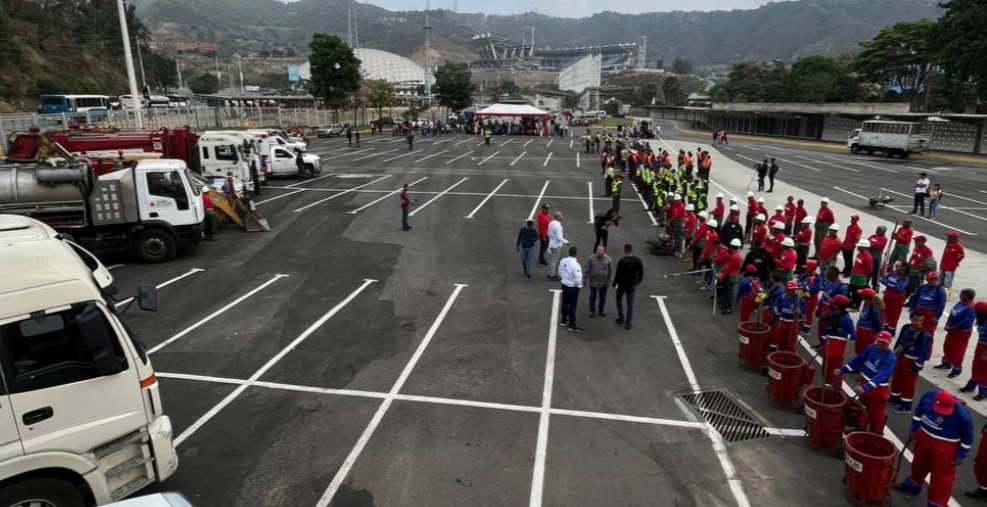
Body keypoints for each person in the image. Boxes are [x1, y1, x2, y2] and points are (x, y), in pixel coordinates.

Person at [895, 389, 974, 507]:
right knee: (918, 463)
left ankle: (936, 503)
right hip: (924, 437)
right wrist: (913, 429)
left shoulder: (963, 415)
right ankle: (913, 484)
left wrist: (960, 455)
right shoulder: (927, 396)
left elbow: (968, 438)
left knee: (942, 477)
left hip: (946, 445)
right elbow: (918, 413)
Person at [838, 331, 896, 433]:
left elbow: (881, 376)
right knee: (862, 410)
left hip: (878, 393)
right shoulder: (872, 348)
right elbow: (858, 360)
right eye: (879, 341)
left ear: (889, 343)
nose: (881, 344)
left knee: (876, 418)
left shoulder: (891, 358)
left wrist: (865, 388)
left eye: (884, 343)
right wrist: (842, 370)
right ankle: (861, 428)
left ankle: (875, 437)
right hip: (864, 388)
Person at [936, 289, 978, 379]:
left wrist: (951, 328)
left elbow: (965, 323)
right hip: (951, 330)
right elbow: (952, 313)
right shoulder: (960, 303)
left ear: (967, 296)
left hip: (961, 333)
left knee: (958, 352)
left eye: (962, 294)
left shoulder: (970, 308)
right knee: (947, 346)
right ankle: (946, 363)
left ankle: (956, 369)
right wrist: (948, 324)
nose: (960, 295)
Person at [820, 295, 857, 386]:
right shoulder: (832, 315)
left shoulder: (846, 320)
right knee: (825, 370)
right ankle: (827, 386)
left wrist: (842, 332)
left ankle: (836, 391)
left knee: (835, 372)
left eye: (832, 302)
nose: (830, 304)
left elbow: (854, 336)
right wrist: (823, 344)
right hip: (827, 348)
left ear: (837, 305)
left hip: (836, 351)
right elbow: (826, 330)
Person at [959, 302, 987, 401]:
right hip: (980, 345)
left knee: (984, 370)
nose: (974, 312)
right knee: (976, 366)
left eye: (976, 311)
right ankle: (971, 385)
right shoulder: (981, 320)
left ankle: (983, 392)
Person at [613, 243, 644, 330]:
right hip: (631, 285)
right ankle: (628, 323)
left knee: (619, 300)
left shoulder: (622, 261)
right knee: (630, 305)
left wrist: (614, 283)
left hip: (622, 285)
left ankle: (621, 318)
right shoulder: (637, 260)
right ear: (632, 250)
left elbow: (618, 274)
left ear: (625, 250)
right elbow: (641, 272)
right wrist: (638, 281)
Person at [909, 272, 948, 337]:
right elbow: (915, 298)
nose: (933, 281)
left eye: (935, 279)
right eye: (931, 279)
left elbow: (941, 305)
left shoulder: (940, 290)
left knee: (928, 334)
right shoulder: (921, 288)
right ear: (927, 279)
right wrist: (912, 310)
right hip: (919, 312)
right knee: (915, 330)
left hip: (930, 315)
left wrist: (936, 317)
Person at [816, 267, 849, 341]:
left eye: (828, 274)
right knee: (821, 326)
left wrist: (830, 313)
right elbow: (824, 295)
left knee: (827, 329)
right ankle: (821, 343)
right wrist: (818, 308)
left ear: (833, 275)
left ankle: (825, 346)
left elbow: (841, 304)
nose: (826, 275)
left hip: (830, 310)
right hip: (823, 308)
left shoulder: (841, 287)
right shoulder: (829, 282)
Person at [880, 261, 911, 334]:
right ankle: (884, 326)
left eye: (898, 265)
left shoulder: (906, 278)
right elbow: (883, 279)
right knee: (885, 311)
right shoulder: (893, 273)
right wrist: (890, 284)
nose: (896, 267)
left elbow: (899, 287)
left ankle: (891, 329)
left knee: (894, 314)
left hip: (897, 298)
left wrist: (888, 284)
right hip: (887, 296)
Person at [559, 246, 583, 332]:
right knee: (572, 306)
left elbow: (560, 271)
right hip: (573, 287)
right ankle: (571, 325)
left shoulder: (563, 261)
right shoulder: (576, 265)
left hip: (564, 285)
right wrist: (580, 285)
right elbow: (578, 279)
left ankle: (563, 320)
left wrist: (565, 279)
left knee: (564, 303)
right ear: (576, 254)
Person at [584, 245, 613, 318]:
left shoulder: (608, 259)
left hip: (604, 283)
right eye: (598, 250)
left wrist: (609, 281)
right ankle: (592, 311)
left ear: (604, 252)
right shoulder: (591, 258)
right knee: (592, 297)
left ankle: (601, 310)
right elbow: (586, 270)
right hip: (593, 282)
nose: (599, 252)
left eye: (601, 250)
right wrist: (584, 279)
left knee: (602, 298)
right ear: (596, 251)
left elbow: (610, 271)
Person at [718, 238, 743, 316]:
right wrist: (721, 272)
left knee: (729, 293)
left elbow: (728, 268)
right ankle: (725, 305)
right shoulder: (735, 255)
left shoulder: (735, 256)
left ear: (732, 246)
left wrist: (722, 276)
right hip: (730, 275)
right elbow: (727, 265)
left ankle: (728, 308)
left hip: (730, 277)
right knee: (726, 291)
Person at [855, 288, 884, 354]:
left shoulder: (874, 308)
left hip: (867, 333)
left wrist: (876, 332)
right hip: (860, 331)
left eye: (862, 295)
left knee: (864, 351)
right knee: (858, 350)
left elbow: (877, 322)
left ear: (865, 297)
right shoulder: (865, 304)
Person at [798, 261, 823, 334]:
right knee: (802, 311)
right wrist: (800, 284)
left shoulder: (818, 277)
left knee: (808, 314)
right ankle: (800, 326)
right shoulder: (806, 274)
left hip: (811, 298)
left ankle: (806, 329)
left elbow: (817, 288)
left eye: (808, 268)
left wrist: (805, 287)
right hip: (803, 297)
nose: (806, 269)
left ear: (813, 269)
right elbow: (799, 280)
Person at [849, 239, 873, 311]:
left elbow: (869, 269)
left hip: (860, 279)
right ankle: (852, 303)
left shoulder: (868, 257)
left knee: (858, 293)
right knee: (852, 290)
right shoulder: (859, 254)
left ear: (863, 247)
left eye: (859, 246)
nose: (857, 248)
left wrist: (864, 276)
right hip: (854, 276)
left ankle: (857, 306)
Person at [940, 231, 966, 297]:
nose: (948, 238)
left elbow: (962, 255)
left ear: (955, 238)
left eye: (950, 237)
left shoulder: (958, 246)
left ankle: (947, 296)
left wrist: (956, 261)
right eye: (948, 236)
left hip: (950, 267)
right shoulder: (948, 243)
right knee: (940, 280)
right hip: (943, 265)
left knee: (947, 282)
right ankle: (939, 293)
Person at [547, 212, 569, 280]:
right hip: (556, 245)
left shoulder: (551, 223)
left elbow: (549, 233)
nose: (562, 217)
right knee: (554, 261)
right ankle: (552, 275)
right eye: (561, 216)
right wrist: (567, 242)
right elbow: (559, 237)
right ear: (557, 217)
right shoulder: (558, 226)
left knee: (552, 260)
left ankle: (551, 272)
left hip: (551, 244)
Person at [867, 227, 888, 291]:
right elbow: (867, 242)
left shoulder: (884, 239)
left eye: (879, 230)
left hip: (876, 258)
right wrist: (872, 244)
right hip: (869, 256)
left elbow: (878, 246)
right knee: (868, 271)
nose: (877, 231)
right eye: (877, 230)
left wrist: (871, 244)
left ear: (883, 232)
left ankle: (875, 286)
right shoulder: (873, 236)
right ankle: (865, 283)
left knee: (875, 273)